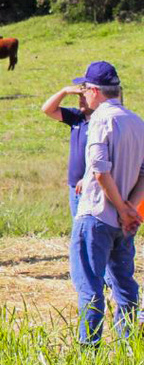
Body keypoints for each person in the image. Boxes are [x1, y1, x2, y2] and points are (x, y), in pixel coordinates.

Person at [68, 61, 144, 345]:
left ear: (96, 90)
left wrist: (120, 206)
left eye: (85, 88)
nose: (84, 94)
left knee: (90, 286)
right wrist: (129, 208)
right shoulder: (137, 121)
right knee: (124, 285)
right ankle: (129, 348)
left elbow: (100, 170)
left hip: (97, 215)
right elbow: (143, 173)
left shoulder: (100, 120)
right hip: (123, 223)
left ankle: (90, 353)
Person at [41, 81, 94, 218]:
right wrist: (64, 91)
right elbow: (47, 109)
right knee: (78, 226)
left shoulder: (102, 120)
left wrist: (89, 178)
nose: (81, 100)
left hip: (93, 184)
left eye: (84, 96)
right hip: (74, 186)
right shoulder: (77, 117)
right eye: (79, 96)